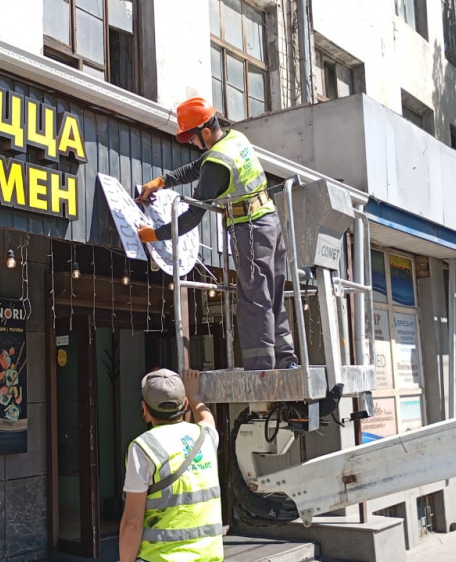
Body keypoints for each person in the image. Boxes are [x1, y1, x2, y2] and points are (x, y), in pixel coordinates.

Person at [136, 97, 298, 371]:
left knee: (254, 302)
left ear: (205, 131)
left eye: (192, 138)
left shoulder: (217, 161)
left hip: (250, 230)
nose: (192, 143)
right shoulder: (235, 139)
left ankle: (262, 372)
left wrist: (154, 234)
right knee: (273, 296)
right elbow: (196, 168)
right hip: (270, 221)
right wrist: (162, 181)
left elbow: (192, 216)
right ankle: (287, 362)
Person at [120, 368, 223, 562]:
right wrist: (194, 395)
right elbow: (207, 418)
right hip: (209, 557)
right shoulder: (206, 438)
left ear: (144, 409)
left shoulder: (143, 447)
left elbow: (133, 522)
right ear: (185, 404)